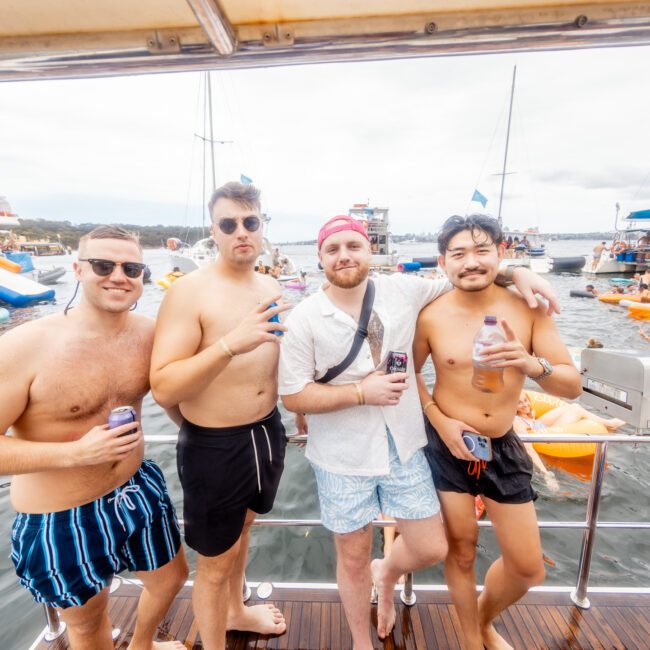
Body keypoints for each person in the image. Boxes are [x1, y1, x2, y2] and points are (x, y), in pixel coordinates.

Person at [278, 215, 559, 650]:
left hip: (405, 443)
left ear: (369, 249)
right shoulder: (304, 318)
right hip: (341, 453)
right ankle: (360, 640)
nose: (344, 256)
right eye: (332, 249)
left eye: (353, 246)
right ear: (319, 258)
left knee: (432, 546)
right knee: (352, 557)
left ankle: (386, 572)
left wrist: (517, 271)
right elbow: (293, 396)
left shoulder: (403, 289)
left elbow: (466, 272)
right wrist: (359, 392)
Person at [1, 225, 188, 650]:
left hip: (137, 486)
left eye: (132, 267)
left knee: (171, 578)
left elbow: (178, 387)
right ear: (78, 269)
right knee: (89, 624)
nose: (119, 276)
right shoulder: (24, 347)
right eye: (103, 265)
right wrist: (74, 453)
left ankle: (142, 644)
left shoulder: (149, 334)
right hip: (59, 515)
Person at [414, 214, 582, 650]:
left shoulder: (527, 308)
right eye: (459, 254)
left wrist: (530, 365)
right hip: (446, 443)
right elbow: (408, 374)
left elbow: (571, 383)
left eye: (481, 250)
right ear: (443, 262)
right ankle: (472, 638)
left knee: (528, 568)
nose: (471, 262)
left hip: (502, 445)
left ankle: (484, 619)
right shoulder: (430, 314)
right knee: (462, 550)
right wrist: (440, 419)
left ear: (501, 253)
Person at [150, 182, 289, 650]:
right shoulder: (188, 293)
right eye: (228, 224)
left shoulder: (270, 285)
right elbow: (164, 384)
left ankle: (237, 611)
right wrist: (230, 343)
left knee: (245, 529)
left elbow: (275, 359)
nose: (241, 232)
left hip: (267, 432)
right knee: (211, 564)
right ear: (214, 231)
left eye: (250, 222)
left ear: (262, 227)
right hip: (215, 443)